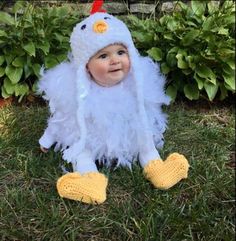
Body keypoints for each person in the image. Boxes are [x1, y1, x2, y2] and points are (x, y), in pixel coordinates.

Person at [38, 0, 189, 204]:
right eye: (103, 55)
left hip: (129, 136)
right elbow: (62, 118)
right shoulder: (79, 92)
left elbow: (148, 111)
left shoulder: (136, 84)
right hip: (92, 139)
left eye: (121, 52)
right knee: (81, 151)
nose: (115, 60)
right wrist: (47, 140)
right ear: (86, 67)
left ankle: (157, 167)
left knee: (145, 141)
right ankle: (89, 180)